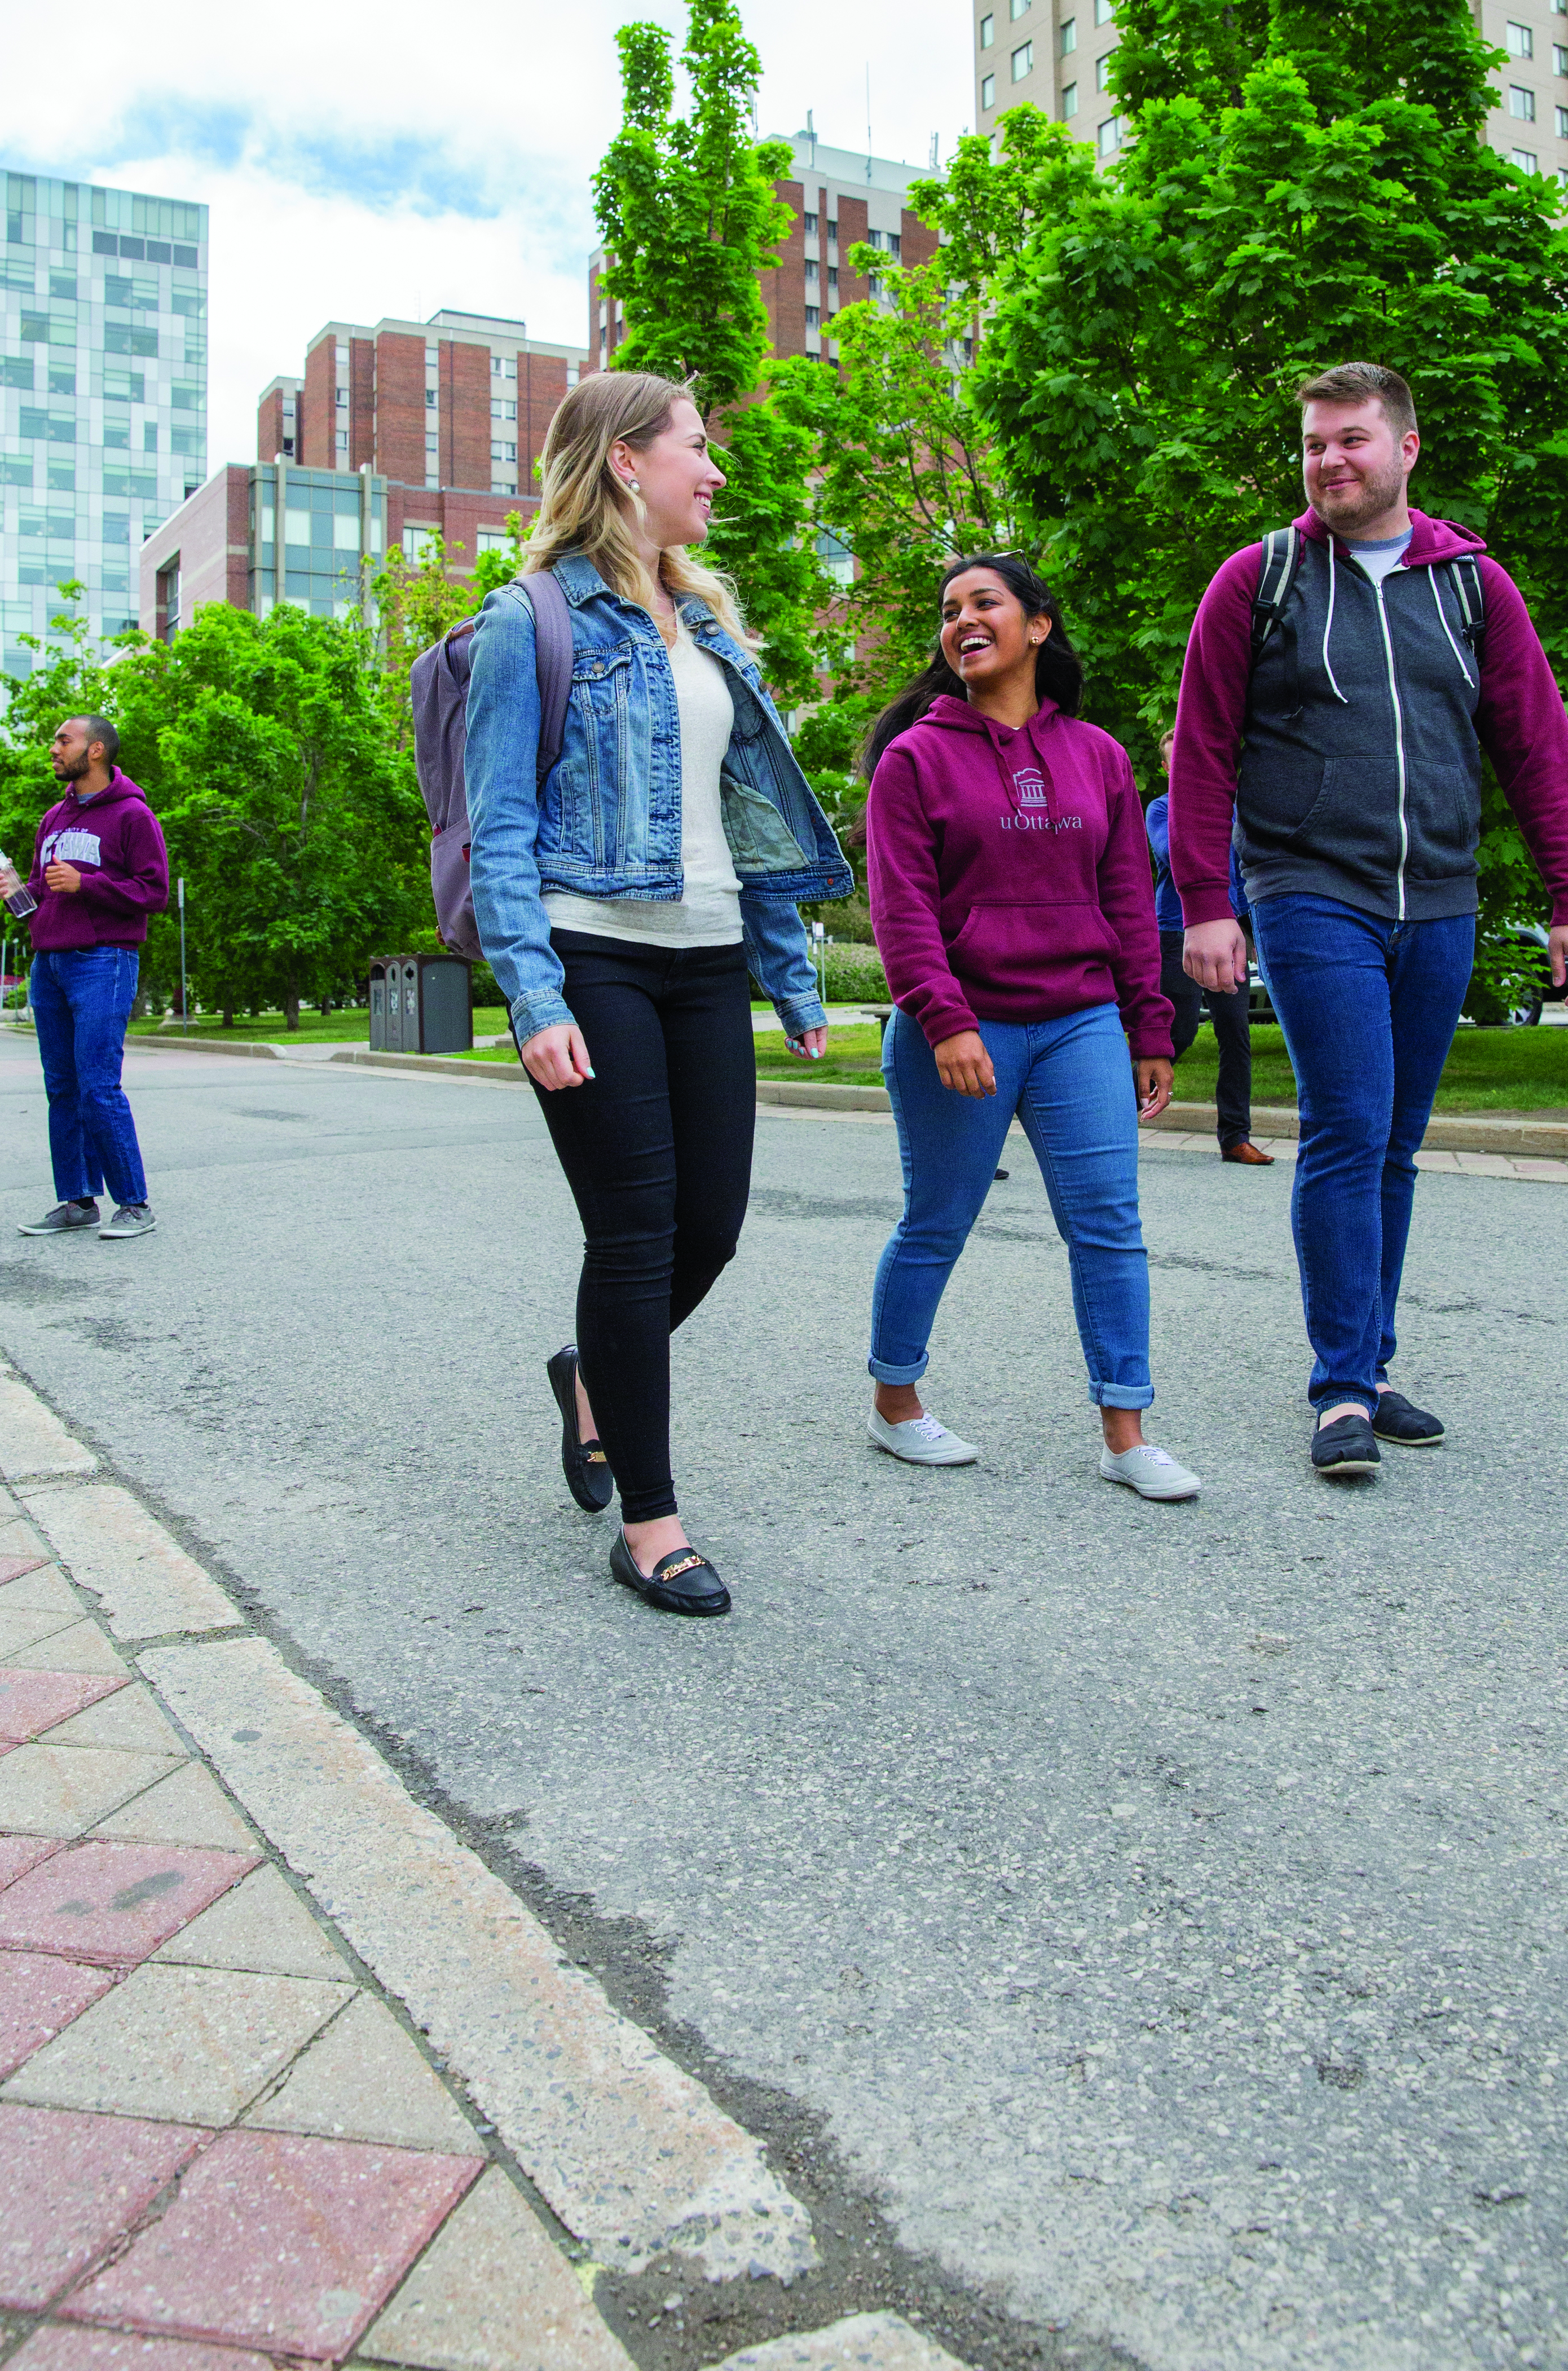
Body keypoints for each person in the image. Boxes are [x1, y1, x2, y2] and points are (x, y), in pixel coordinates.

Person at [1169, 362, 1568, 1480]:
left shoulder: (1471, 585)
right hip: (1308, 885)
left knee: (1397, 1145)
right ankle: (1337, 1391)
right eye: (1314, 443)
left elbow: (1535, 749)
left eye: (1351, 440)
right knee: (1348, 1126)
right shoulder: (1256, 581)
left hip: (1440, 900)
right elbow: (1203, 750)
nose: (1328, 460)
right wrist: (1207, 904)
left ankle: (1366, 1362)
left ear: (1405, 449)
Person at [464, 371, 851, 1618]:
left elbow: (753, 822)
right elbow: (498, 826)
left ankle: (592, 1372)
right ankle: (651, 1525)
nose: (716, 472)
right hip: (592, 950)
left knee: (713, 1227)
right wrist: (534, 996)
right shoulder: (529, 620)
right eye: (698, 448)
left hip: (704, 959)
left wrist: (789, 976)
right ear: (626, 462)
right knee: (632, 1234)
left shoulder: (714, 629)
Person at [861, 554, 1200, 1502]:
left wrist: (1151, 1030)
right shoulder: (915, 759)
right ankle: (896, 1405)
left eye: (985, 603)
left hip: (1079, 1023)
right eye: (949, 610)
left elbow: (1131, 901)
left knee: (1109, 1226)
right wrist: (944, 1017)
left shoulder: (1098, 755)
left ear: (1038, 627)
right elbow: (904, 909)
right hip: (963, 1028)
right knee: (939, 1219)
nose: (962, 619)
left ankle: (1127, 1432)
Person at [0, 715, 169, 1243]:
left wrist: (87, 884)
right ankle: (76, 1200)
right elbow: (43, 901)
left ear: (95, 750)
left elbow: (152, 893)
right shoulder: (53, 820)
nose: (54, 749)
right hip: (50, 963)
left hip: (103, 961)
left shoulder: (133, 815)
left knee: (97, 1086)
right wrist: (18, 889)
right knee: (61, 1087)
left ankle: (134, 1204)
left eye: (63, 740)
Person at [1147, 728, 1273, 1165]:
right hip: (1175, 932)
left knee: (1235, 1035)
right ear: (1166, 768)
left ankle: (1235, 1137)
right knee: (1176, 1033)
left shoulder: (1235, 811)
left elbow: (1252, 867)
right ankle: (1110, 1117)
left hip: (1229, 934)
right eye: (1174, 760)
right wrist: (1200, 815)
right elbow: (1170, 853)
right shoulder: (1161, 809)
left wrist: (1251, 931)